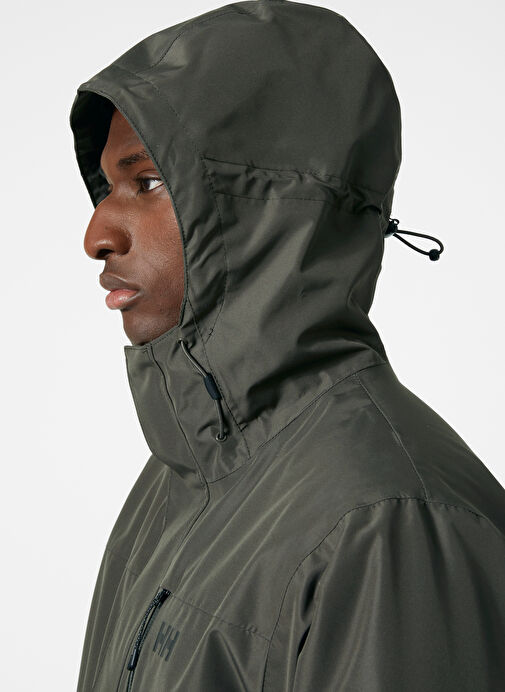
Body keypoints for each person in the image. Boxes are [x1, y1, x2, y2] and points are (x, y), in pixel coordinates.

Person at [69, 1, 505, 690]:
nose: (97, 234)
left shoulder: (388, 525)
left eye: (146, 182)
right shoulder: (181, 477)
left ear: (267, 208)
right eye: (108, 187)